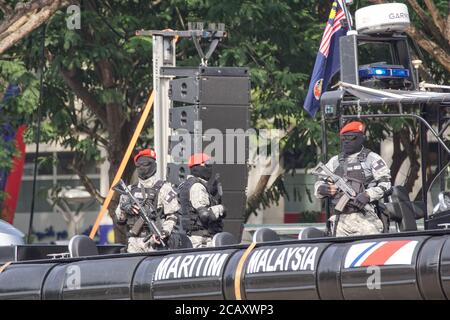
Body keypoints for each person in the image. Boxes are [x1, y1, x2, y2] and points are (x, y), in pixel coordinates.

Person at [314, 121, 391, 237]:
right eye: (343, 138)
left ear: (361, 138)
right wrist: (321, 189)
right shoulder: (335, 161)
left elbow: (386, 184)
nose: (346, 141)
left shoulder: (372, 159)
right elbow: (319, 182)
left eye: (351, 138)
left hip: (365, 218)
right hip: (340, 220)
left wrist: (368, 195)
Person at [115, 148, 180, 253]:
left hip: (154, 242)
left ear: (154, 166)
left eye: (146, 164)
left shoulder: (164, 189)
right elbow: (120, 220)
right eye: (139, 165)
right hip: (133, 243)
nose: (142, 168)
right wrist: (125, 208)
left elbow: (173, 216)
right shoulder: (130, 190)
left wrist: (164, 232)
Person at [178, 153, 226, 248]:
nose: (210, 167)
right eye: (207, 164)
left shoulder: (188, 184)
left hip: (197, 236)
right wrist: (220, 208)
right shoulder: (197, 186)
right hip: (201, 240)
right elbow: (204, 215)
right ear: (197, 166)